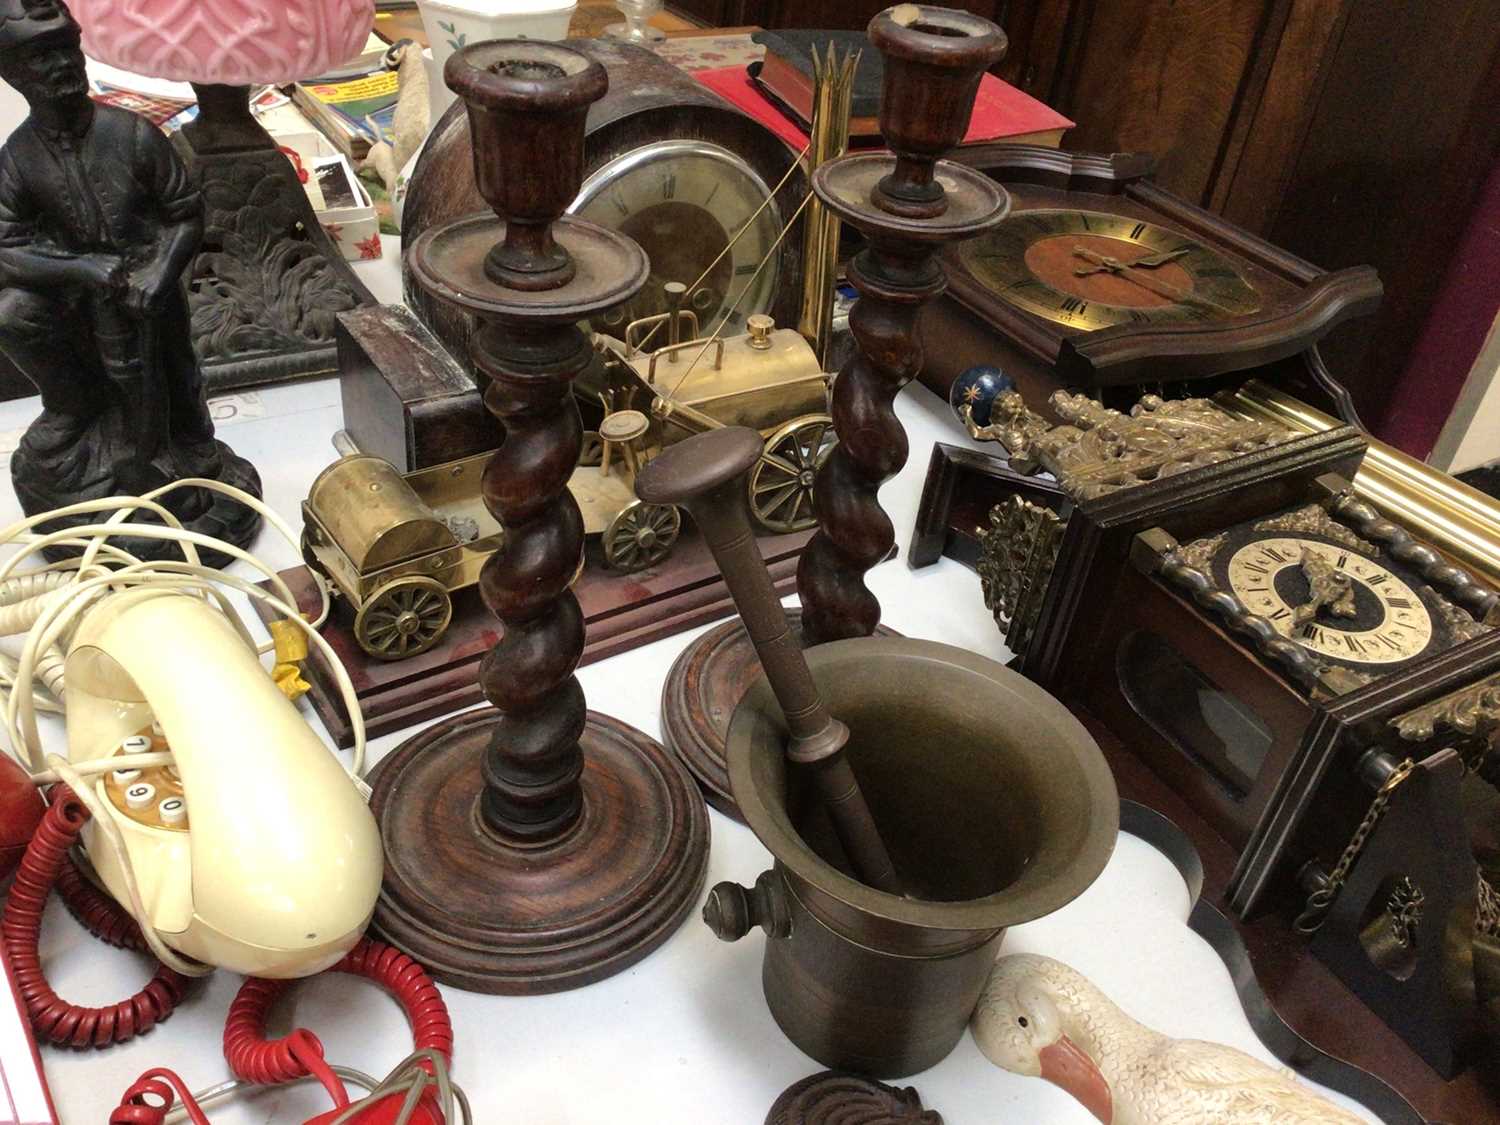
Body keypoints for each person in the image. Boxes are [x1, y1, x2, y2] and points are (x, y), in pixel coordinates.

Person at [0, 0, 258, 550]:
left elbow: (184, 213)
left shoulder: (132, 135)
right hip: (77, 308)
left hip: (149, 300)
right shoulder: (18, 160)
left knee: (177, 390)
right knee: (14, 314)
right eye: (40, 59)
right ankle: (81, 422)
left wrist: (158, 274)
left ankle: (178, 463)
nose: (61, 67)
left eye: (65, 51)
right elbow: (6, 250)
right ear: (12, 74)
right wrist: (80, 270)